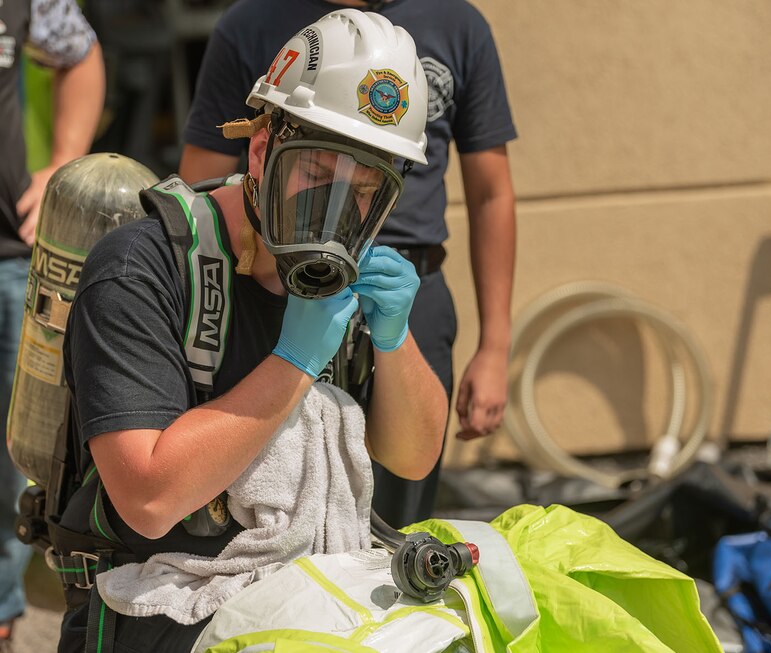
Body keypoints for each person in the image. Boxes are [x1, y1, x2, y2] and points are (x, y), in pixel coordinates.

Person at [56, 10, 447, 652]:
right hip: (153, 613)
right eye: (316, 177)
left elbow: (412, 456)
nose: (335, 211)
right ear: (262, 150)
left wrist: (395, 339)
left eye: (365, 191)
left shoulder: (358, 275)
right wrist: (294, 361)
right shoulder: (140, 266)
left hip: (308, 605)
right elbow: (148, 498)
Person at [180, 0, 517, 528]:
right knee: (266, 487)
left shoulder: (457, 24)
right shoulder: (253, 23)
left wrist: (495, 347)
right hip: (275, 278)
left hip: (401, 285)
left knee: (398, 511)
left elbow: (491, 192)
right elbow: (201, 179)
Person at [0, 0, 104, 647]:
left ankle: (3, 606)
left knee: (14, 455)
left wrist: (66, 157)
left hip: (8, 256)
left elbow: (80, 54)